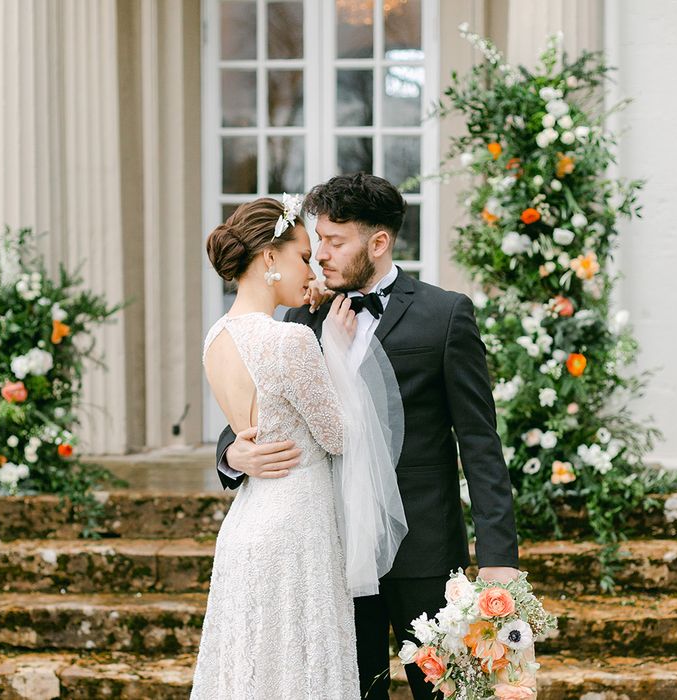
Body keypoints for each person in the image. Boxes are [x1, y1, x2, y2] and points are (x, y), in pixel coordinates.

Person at [217, 173, 520, 699]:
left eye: (335, 243)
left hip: (422, 554)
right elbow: (263, 413)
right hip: (325, 552)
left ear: (378, 243)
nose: (320, 258)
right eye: (317, 243)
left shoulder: (444, 316)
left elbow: (480, 444)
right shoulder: (298, 319)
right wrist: (232, 452)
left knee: (444, 693)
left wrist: (498, 557)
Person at [193, 195, 405, 699]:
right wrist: (331, 346)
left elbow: (258, 424)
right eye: (303, 256)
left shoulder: (216, 337)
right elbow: (336, 436)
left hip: (248, 522)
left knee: (253, 674)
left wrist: (233, 455)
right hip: (297, 531)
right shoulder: (290, 341)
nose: (313, 270)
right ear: (270, 258)